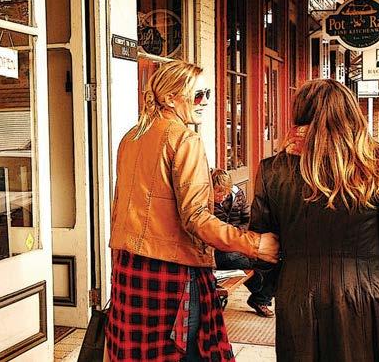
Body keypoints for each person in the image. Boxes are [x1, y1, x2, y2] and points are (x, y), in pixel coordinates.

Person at [250, 79, 379, 362]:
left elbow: (264, 250)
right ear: (351, 114)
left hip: (299, 299)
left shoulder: (272, 171)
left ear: (300, 114)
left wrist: (280, 283)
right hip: (369, 299)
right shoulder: (377, 167)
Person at [105, 60, 279, 362]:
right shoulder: (185, 139)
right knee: (187, 354)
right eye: (198, 95)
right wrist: (254, 244)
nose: (206, 101)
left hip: (129, 268)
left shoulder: (130, 137)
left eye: (208, 93)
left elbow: (120, 208)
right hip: (172, 273)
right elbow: (196, 218)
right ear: (171, 98)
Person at [211, 168, 275, 318]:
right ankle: (260, 295)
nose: (222, 196)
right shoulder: (205, 201)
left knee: (273, 261)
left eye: (225, 193)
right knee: (237, 260)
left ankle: (260, 298)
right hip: (220, 247)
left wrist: (239, 234)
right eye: (218, 193)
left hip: (240, 241)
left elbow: (247, 219)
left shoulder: (237, 194)